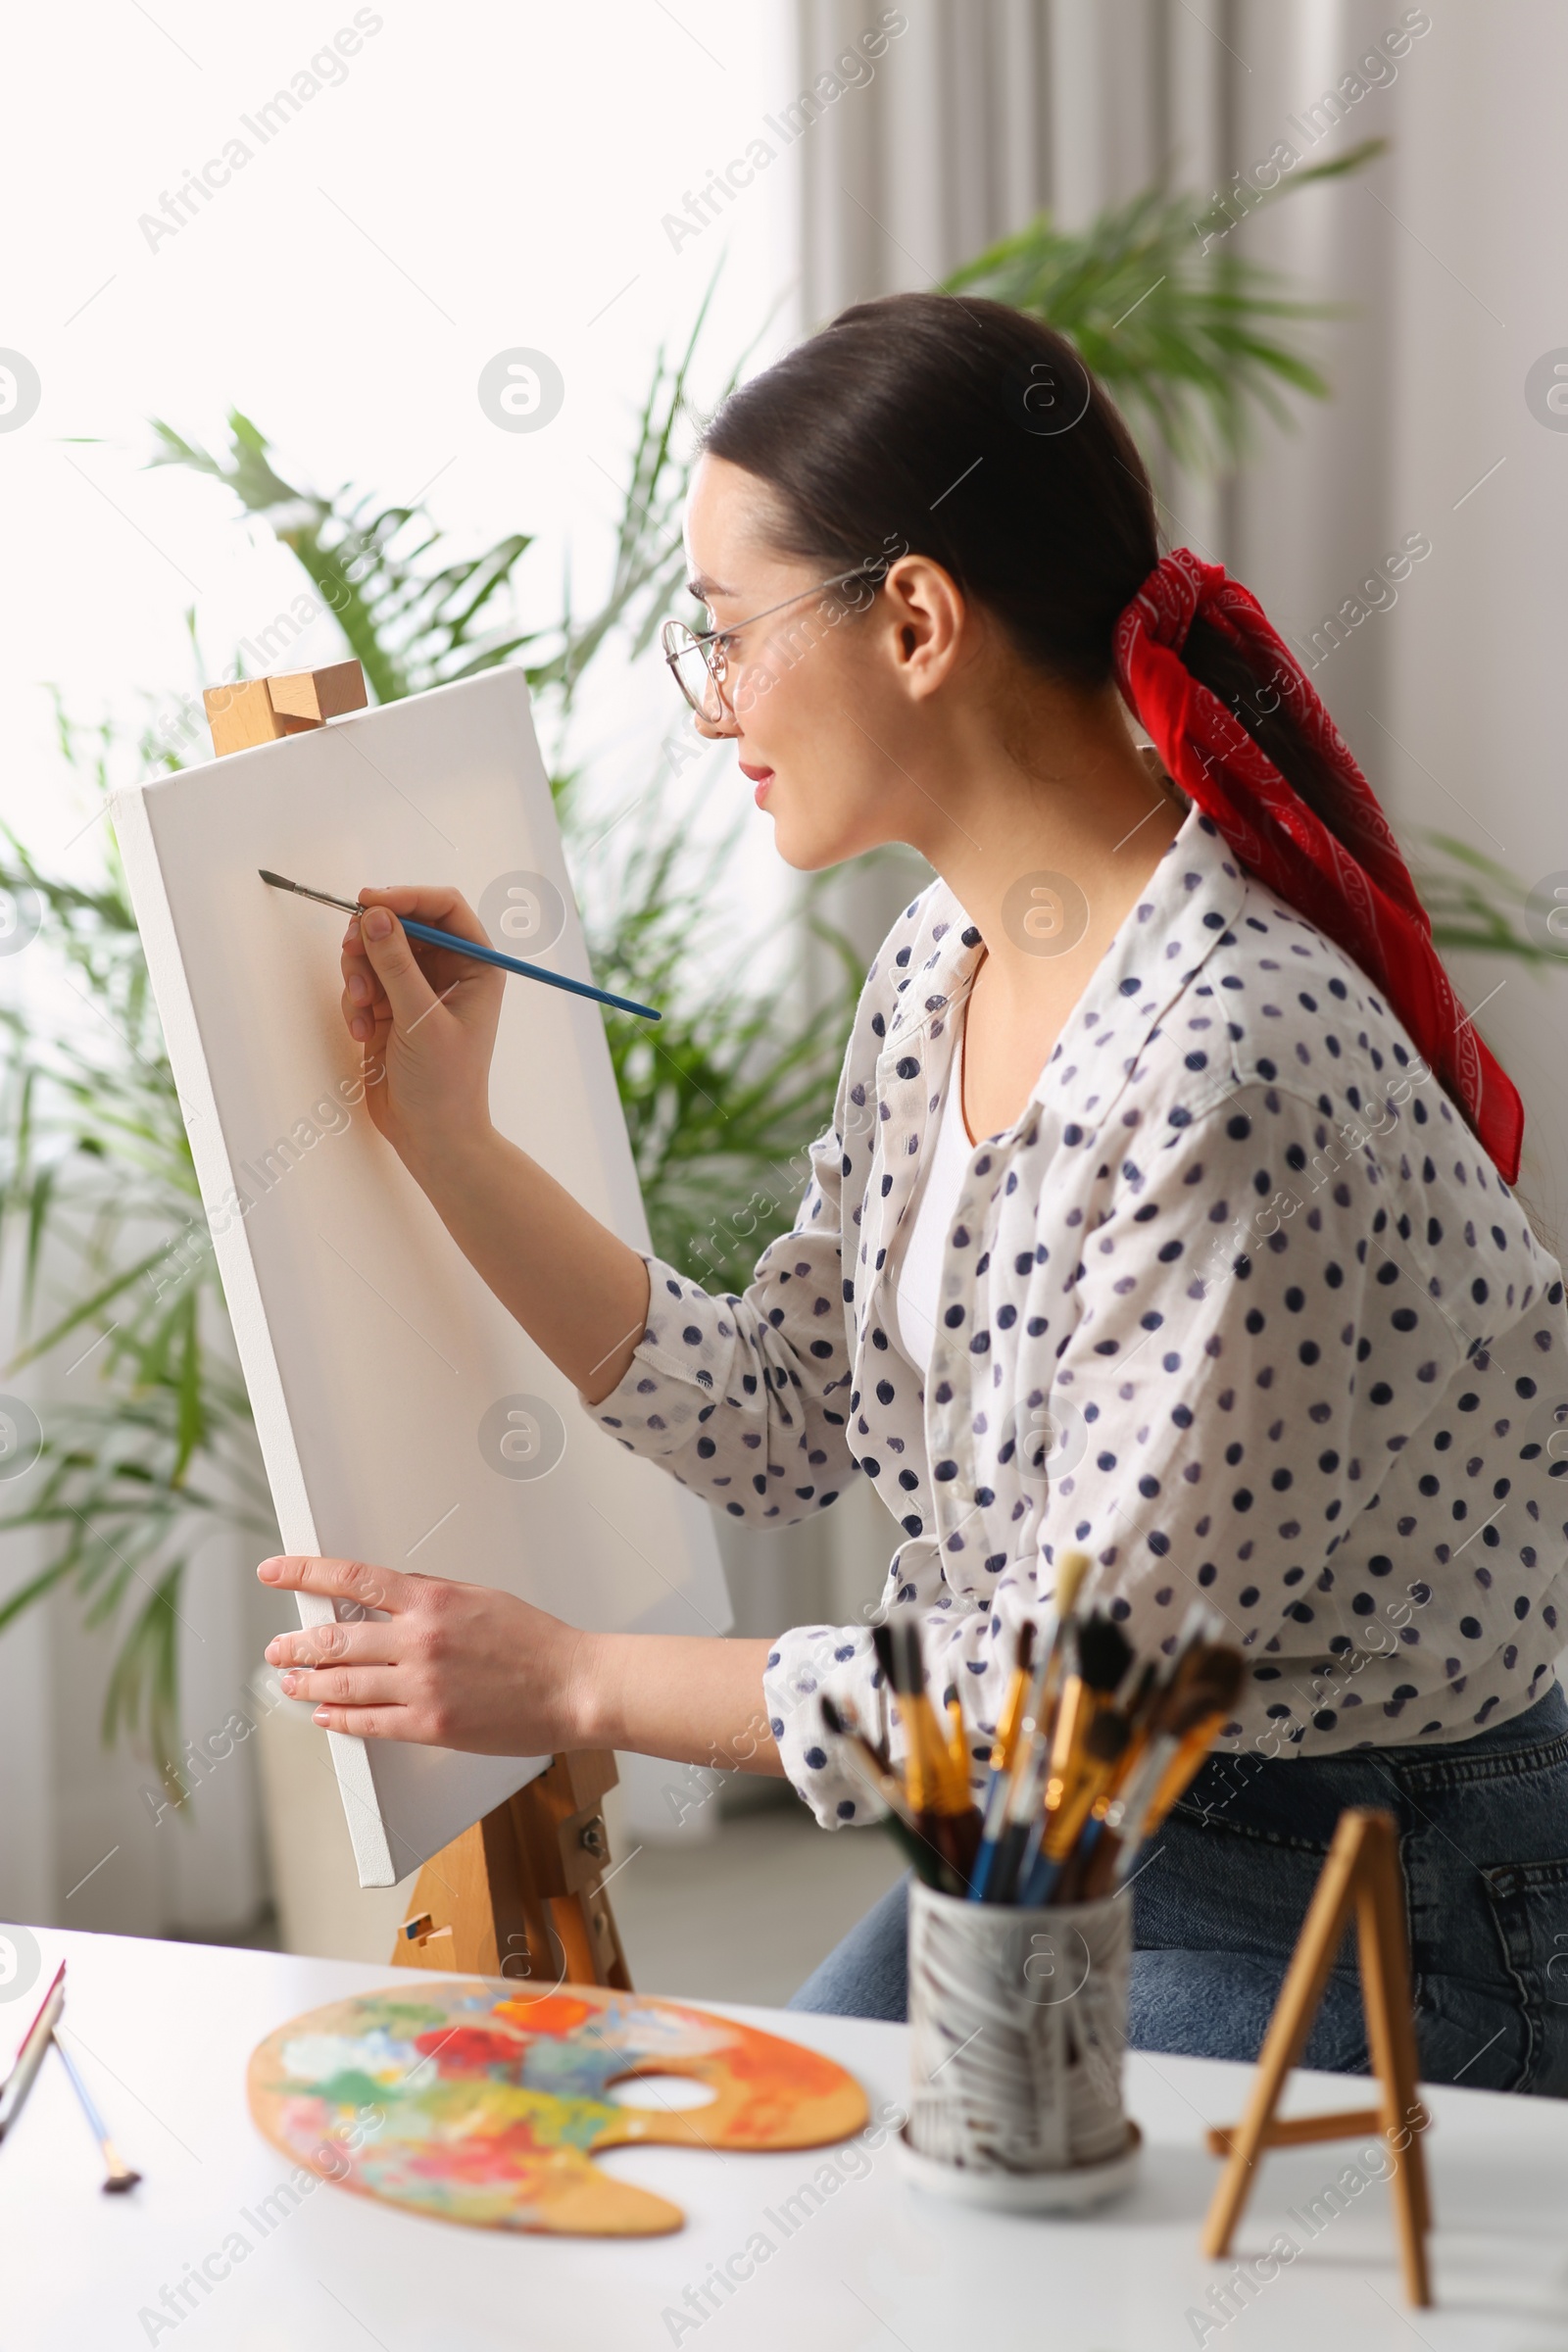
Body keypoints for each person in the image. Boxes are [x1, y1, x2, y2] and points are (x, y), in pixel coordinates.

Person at [257, 292, 1568, 2093]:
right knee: (774, 2147)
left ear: (919, 621)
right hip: (1087, 1839)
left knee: (940, 2232)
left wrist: (573, 1685)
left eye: (724, 635)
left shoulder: (1221, 1069)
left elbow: (1070, 1725)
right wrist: (450, 1137)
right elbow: (784, 1418)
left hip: (1377, 1882)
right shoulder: (943, 960)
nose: (712, 703)